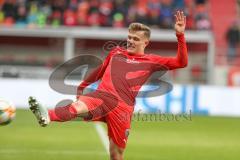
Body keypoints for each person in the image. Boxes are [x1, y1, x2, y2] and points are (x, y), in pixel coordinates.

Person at [29, 11, 188, 160]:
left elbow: (182, 62)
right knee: (78, 107)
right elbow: (100, 71)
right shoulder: (116, 52)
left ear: (146, 42)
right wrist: (83, 85)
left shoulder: (152, 60)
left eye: (136, 39)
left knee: (116, 154)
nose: (131, 41)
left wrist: (180, 35)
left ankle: (50, 115)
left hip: (122, 108)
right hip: (102, 96)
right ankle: (48, 115)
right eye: (130, 37)